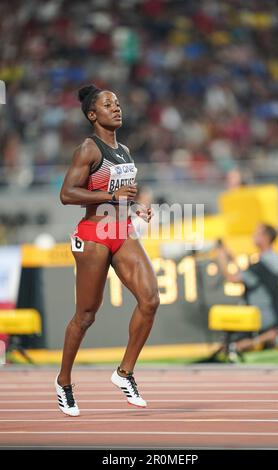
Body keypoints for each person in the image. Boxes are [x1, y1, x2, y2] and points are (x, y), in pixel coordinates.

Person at [55, 85, 160, 416]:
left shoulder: (125, 150)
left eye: (117, 102)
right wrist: (112, 199)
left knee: (150, 299)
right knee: (86, 316)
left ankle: (124, 372)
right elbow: (67, 194)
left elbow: (125, 189)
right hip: (94, 234)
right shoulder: (88, 148)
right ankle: (63, 382)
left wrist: (138, 206)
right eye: (107, 104)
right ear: (92, 114)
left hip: (121, 229)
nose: (116, 108)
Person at [216, 223, 278, 354]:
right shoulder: (275, 260)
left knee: (230, 347)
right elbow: (252, 276)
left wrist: (222, 259)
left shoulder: (262, 265)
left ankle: (266, 337)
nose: (253, 236)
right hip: (274, 315)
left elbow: (233, 278)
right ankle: (270, 336)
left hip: (261, 318)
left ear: (266, 237)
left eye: (257, 233)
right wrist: (233, 258)